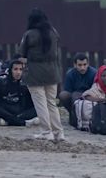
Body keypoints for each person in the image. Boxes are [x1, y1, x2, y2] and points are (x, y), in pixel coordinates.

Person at [19, 8, 64, 141]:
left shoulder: (29, 34)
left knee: (40, 103)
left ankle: (46, 132)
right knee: (51, 103)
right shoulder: (53, 32)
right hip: (52, 71)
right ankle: (58, 132)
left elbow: (22, 53)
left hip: (35, 72)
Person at [0, 59, 38, 127]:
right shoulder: (1, 83)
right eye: (15, 69)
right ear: (10, 70)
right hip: (4, 110)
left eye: (20, 69)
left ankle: (10, 122)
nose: (18, 72)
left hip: (18, 113)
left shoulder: (23, 85)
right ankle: (22, 122)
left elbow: (29, 103)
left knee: (37, 108)